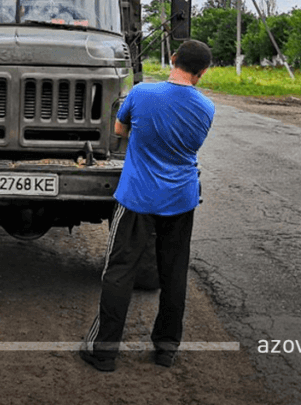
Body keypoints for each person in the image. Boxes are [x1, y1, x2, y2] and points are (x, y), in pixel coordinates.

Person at [80, 39, 215, 372]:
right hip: (181, 199)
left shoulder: (141, 93)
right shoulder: (206, 107)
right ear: (202, 73)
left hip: (138, 197)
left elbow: (119, 128)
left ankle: (104, 352)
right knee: (173, 274)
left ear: (172, 58)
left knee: (120, 271)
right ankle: (166, 350)